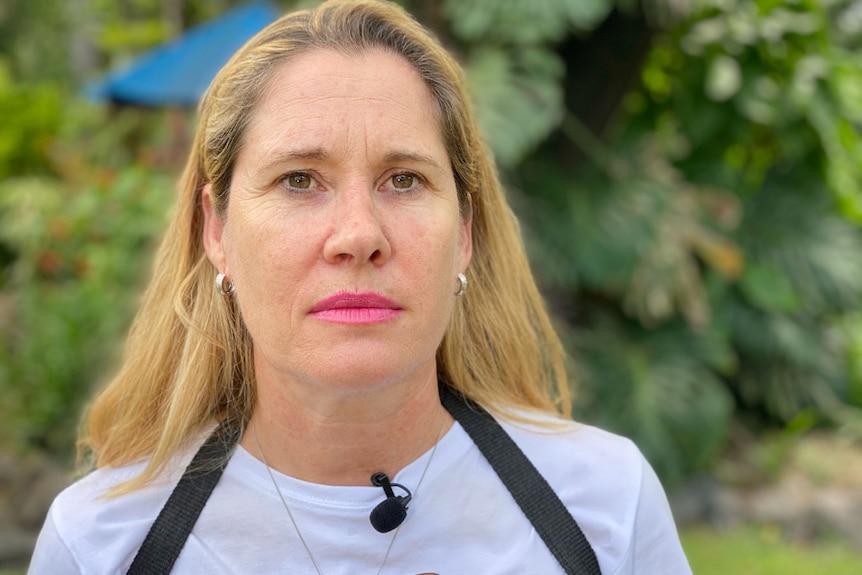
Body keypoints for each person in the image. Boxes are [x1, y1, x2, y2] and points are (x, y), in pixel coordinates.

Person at [28, 0, 692, 573]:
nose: (358, 234)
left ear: (464, 229)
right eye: (298, 180)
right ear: (217, 230)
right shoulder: (102, 546)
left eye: (404, 179)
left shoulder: (604, 507)